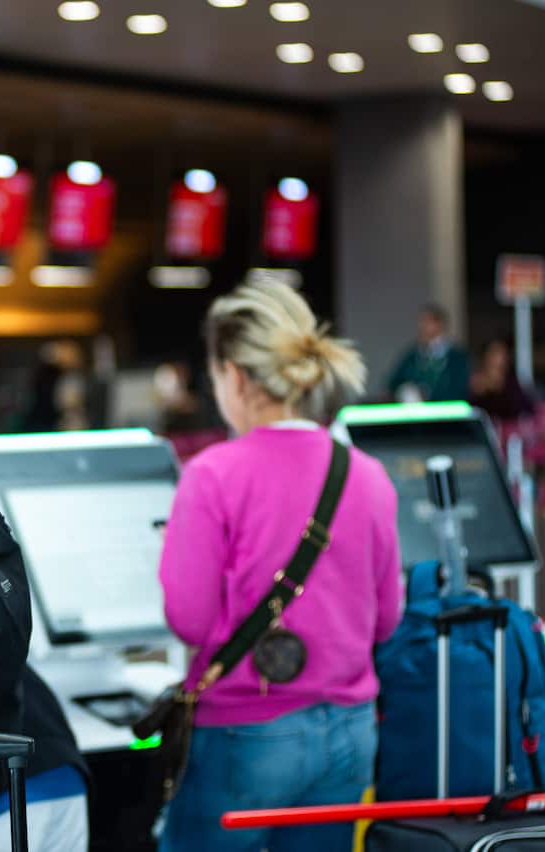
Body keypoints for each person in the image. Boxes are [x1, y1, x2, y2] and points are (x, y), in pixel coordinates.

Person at [157, 280, 403, 852]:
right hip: (350, 729)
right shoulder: (365, 473)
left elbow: (190, 620)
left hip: (245, 732)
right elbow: (386, 621)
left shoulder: (212, 474)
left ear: (236, 376)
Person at [387, 303, 469, 402]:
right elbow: (393, 383)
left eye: (427, 322)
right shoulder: (412, 356)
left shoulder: (456, 358)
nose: (422, 326)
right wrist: (406, 390)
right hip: (418, 413)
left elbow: (461, 388)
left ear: (440, 324)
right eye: (421, 322)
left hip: (448, 413)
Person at [470, 338, 534, 421]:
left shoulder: (511, 382)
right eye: (495, 354)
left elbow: (526, 408)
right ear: (485, 358)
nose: (500, 359)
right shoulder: (476, 385)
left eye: (503, 354)